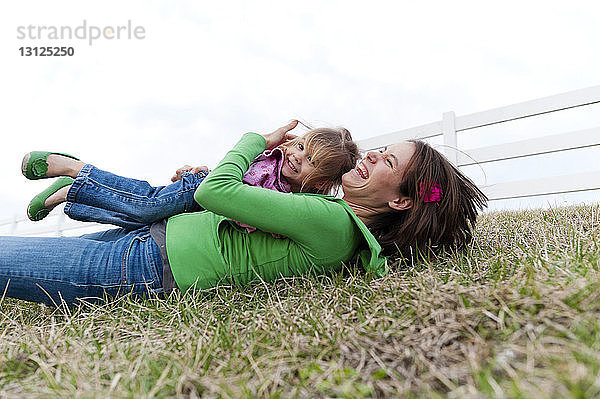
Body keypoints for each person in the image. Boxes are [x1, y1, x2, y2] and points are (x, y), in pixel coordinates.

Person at [0, 121, 487, 306]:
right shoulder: (331, 211)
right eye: (383, 149)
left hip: (146, 266)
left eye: (390, 161)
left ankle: (74, 181)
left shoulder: (335, 224)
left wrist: (258, 140)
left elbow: (216, 192)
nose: (375, 155)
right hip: (152, 242)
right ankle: (74, 188)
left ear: (400, 200)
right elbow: (233, 196)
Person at [24, 123, 360, 235]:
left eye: (311, 159)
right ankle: (71, 167)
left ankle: (69, 194)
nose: (298, 155)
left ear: (320, 182)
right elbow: (228, 183)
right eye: (300, 146)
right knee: (143, 204)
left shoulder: (298, 200)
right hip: (196, 195)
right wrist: (199, 174)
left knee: (132, 220)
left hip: (200, 211)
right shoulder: (271, 164)